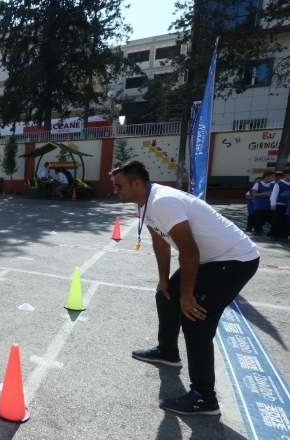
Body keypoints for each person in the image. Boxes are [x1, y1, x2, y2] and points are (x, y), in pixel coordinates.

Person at [111, 161, 259, 416]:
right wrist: (164, 280)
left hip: (235, 260)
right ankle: (168, 352)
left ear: (137, 183)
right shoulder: (145, 204)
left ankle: (204, 398)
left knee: (195, 319)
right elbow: (161, 243)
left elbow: (189, 252)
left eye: (119, 185)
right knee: (166, 295)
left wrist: (188, 295)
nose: (115, 190)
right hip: (209, 259)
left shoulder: (163, 202)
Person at [250, 171, 275, 236]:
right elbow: (254, 193)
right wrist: (265, 193)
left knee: (268, 218)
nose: (274, 178)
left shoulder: (273, 184)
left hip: (269, 205)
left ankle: (261, 228)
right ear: (267, 177)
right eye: (273, 176)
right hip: (260, 205)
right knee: (259, 218)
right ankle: (257, 230)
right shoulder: (258, 184)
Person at [268, 168, 290, 240]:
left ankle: (281, 235)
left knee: (285, 221)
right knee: (276, 220)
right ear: (286, 175)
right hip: (279, 205)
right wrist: (273, 204)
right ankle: (272, 234)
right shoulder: (279, 184)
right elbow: (274, 195)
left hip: (287, 206)